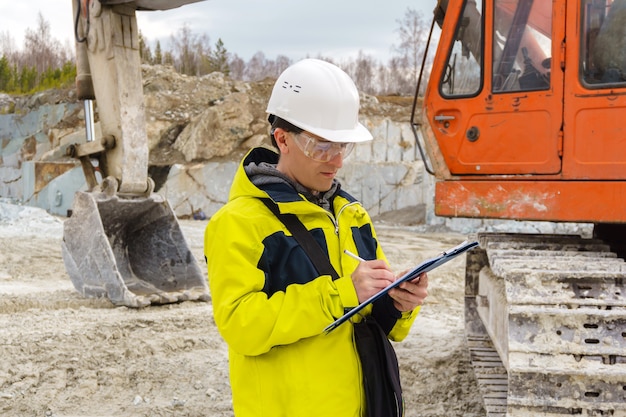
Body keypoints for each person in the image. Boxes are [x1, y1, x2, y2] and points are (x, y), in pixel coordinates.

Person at [204, 58, 429, 417]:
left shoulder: (351, 215)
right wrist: (341, 293)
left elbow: (379, 321)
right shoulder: (238, 223)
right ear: (282, 139)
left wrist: (400, 302)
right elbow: (241, 326)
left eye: (344, 147)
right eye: (323, 146)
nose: (336, 161)